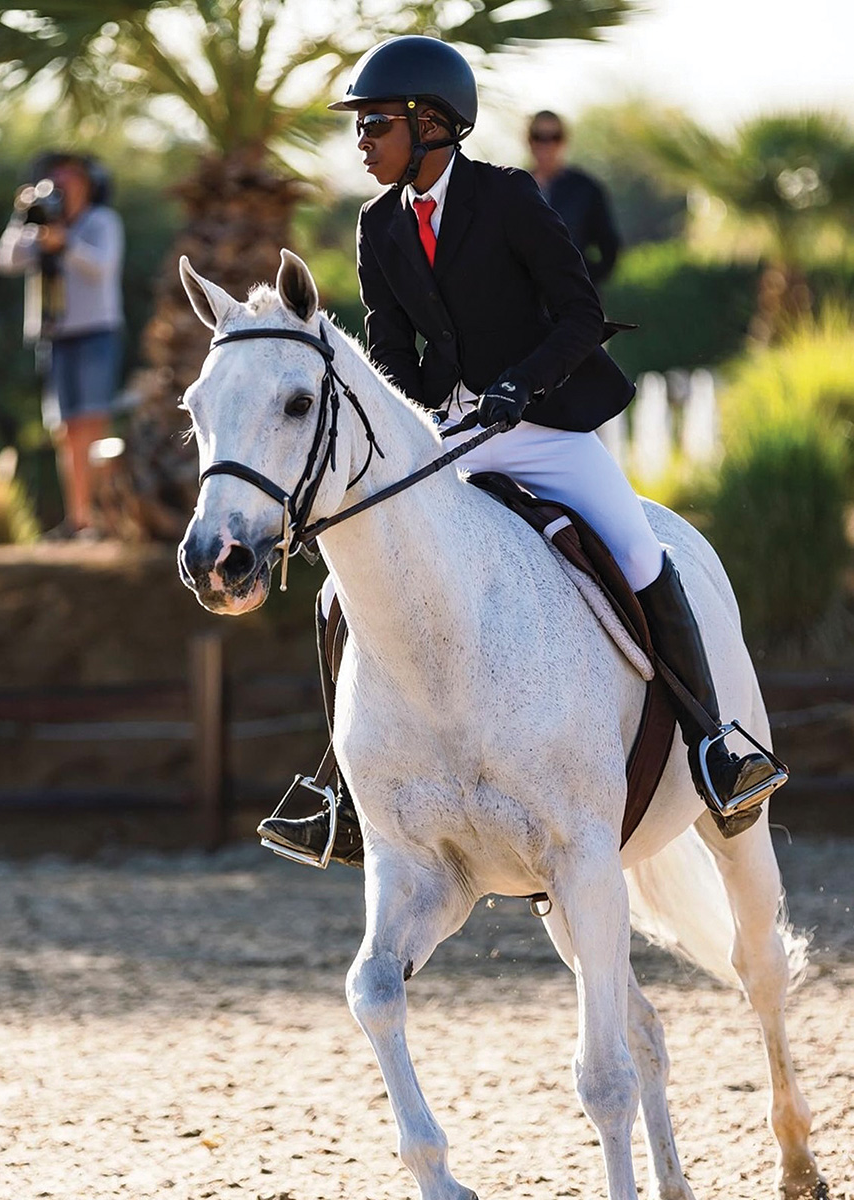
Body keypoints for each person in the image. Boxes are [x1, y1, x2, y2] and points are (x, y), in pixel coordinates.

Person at [258, 36, 782, 866]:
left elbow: (578, 315)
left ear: (431, 124)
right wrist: (429, 410)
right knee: (335, 597)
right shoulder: (376, 226)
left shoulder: (505, 200)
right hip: (454, 438)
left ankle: (716, 746)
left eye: (375, 123)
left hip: (547, 427)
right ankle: (337, 790)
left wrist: (516, 389)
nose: (360, 140)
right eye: (359, 126)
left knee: (640, 556)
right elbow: (389, 348)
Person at [0, 152, 124, 537]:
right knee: (66, 432)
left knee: (94, 425)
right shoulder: (37, 226)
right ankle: (79, 518)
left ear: (89, 185)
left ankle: (104, 518)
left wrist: (64, 243)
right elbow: (6, 260)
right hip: (54, 336)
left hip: (96, 331)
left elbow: (101, 267)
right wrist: (24, 215)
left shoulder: (101, 222)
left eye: (72, 180)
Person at [528, 110, 620, 287]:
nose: (547, 144)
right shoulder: (515, 186)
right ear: (529, 140)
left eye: (554, 137)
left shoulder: (585, 188)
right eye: (539, 137)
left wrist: (584, 283)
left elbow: (609, 247)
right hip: (526, 301)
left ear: (563, 141)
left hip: (572, 299)